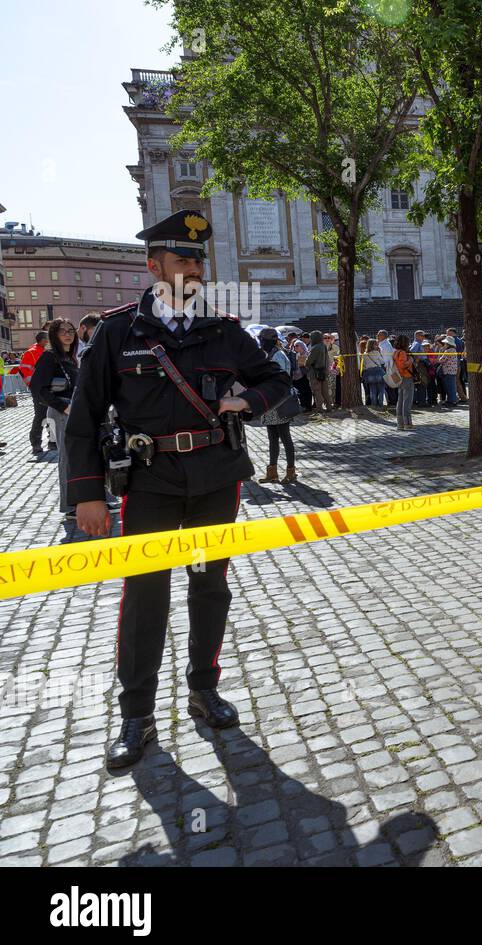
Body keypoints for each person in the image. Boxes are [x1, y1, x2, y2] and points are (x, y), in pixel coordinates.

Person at [64, 208, 290, 769]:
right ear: (153, 264)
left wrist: (248, 402)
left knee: (210, 588)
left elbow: (278, 379)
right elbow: (84, 419)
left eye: (198, 259)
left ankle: (203, 688)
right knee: (145, 597)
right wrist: (87, 497)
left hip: (215, 480)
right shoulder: (119, 333)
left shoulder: (224, 330)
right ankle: (137, 714)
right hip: (151, 483)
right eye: (182, 258)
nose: (193, 267)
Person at [30, 319, 81, 517]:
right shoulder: (50, 356)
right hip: (62, 413)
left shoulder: (69, 357)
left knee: (77, 456)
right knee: (67, 458)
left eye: (71, 330)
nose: (68, 334)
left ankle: (80, 500)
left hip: (71, 410)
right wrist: (63, 407)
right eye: (63, 332)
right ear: (54, 335)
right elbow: (37, 387)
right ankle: (69, 506)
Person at [257, 328, 298, 482]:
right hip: (269, 402)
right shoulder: (270, 355)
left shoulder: (279, 356)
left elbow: (280, 379)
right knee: (272, 439)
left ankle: (291, 471)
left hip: (279, 402)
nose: (261, 343)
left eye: (263, 340)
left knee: (285, 437)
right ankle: (272, 472)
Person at [19, 330, 51, 456]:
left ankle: (53, 441)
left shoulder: (45, 351)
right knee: (41, 415)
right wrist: (34, 385)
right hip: (39, 390)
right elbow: (24, 371)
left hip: (50, 388)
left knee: (51, 415)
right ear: (43, 340)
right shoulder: (31, 353)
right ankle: (36, 443)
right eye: (48, 339)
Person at [391, 334, 415, 428]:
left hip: (398, 377)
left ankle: (400, 423)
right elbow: (402, 365)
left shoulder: (395, 352)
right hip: (406, 377)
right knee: (407, 401)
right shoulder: (402, 353)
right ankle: (407, 423)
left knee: (400, 401)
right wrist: (411, 361)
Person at [305, 330, 332, 412]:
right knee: (325, 390)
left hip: (315, 372)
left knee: (317, 391)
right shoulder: (323, 346)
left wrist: (307, 364)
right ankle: (329, 406)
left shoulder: (315, 347)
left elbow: (308, 361)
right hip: (324, 371)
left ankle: (320, 408)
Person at [361, 339, 388, 406]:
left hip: (369, 373)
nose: (377, 345)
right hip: (378, 372)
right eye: (376, 344)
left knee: (372, 389)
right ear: (374, 345)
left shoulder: (364, 354)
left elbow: (364, 364)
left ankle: (374, 404)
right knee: (381, 389)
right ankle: (381, 404)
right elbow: (382, 362)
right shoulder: (376, 353)